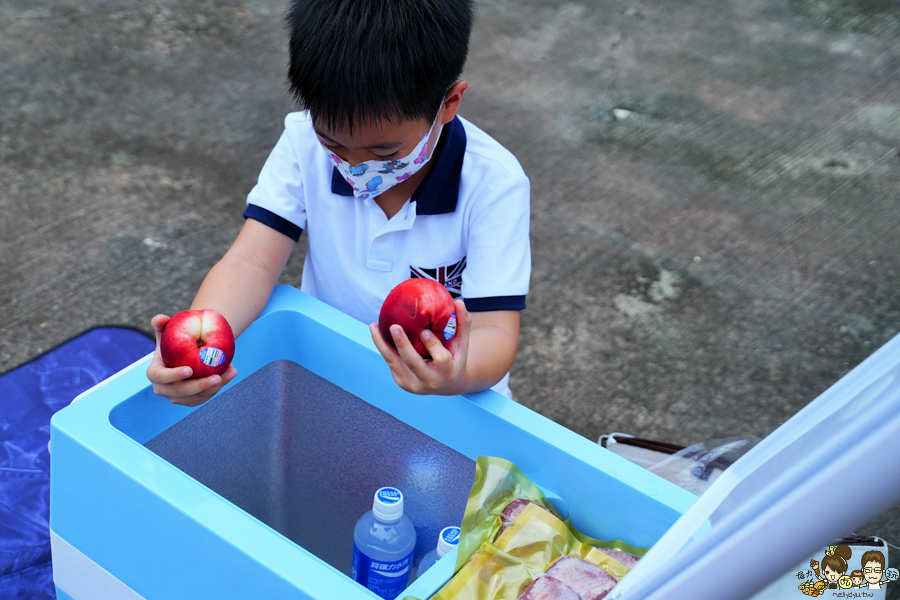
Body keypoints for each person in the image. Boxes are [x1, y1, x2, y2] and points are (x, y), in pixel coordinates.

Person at [146, 0, 530, 407]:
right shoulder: (301, 142)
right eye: (333, 144)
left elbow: (495, 331)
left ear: (449, 103)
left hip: (450, 396)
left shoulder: (494, 185)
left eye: (385, 153)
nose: (355, 165)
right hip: (331, 375)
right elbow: (251, 262)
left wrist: (453, 376)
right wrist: (193, 353)